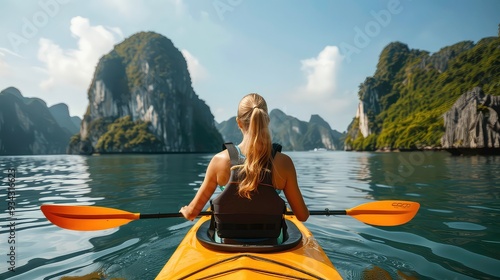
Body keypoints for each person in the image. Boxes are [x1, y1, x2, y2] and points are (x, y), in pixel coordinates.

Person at [179, 93, 309, 227]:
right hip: (271, 242)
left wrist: (185, 210)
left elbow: (191, 214)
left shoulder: (219, 160)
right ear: (267, 121)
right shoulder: (284, 163)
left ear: (238, 122)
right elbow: (302, 216)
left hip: (227, 242)